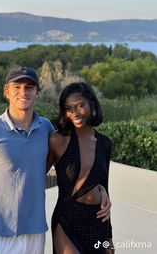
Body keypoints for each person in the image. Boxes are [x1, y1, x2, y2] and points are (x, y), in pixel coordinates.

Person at [0, 67, 111, 254]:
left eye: (29, 87)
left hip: (36, 233)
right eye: (17, 87)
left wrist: (99, 189)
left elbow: (52, 167)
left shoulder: (46, 128)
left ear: (37, 93)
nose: (23, 92)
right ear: (6, 91)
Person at [47, 82, 114, 254]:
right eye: (69, 108)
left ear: (91, 103)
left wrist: (109, 238)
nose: (74, 113)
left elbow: (104, 185)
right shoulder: (58, 140)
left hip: (98, 222)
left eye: (80, 106)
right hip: (67, 220)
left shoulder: (105, 143)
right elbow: (36, 178)